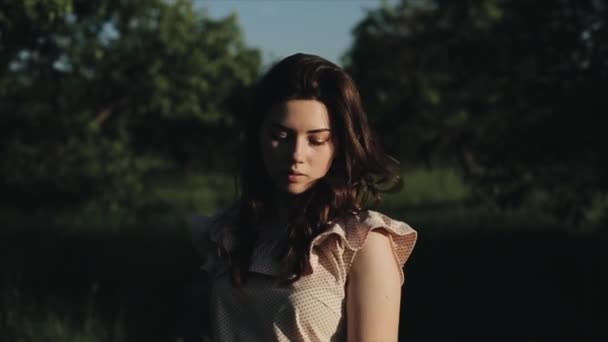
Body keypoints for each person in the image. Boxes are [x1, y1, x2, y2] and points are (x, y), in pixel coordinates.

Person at [190, 53, 417, 342]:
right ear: (258, 136)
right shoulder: (229, 232)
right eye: (281, 135)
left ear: (340, 144)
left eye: (316, 139)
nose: (296, 155)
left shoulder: (361, 243)